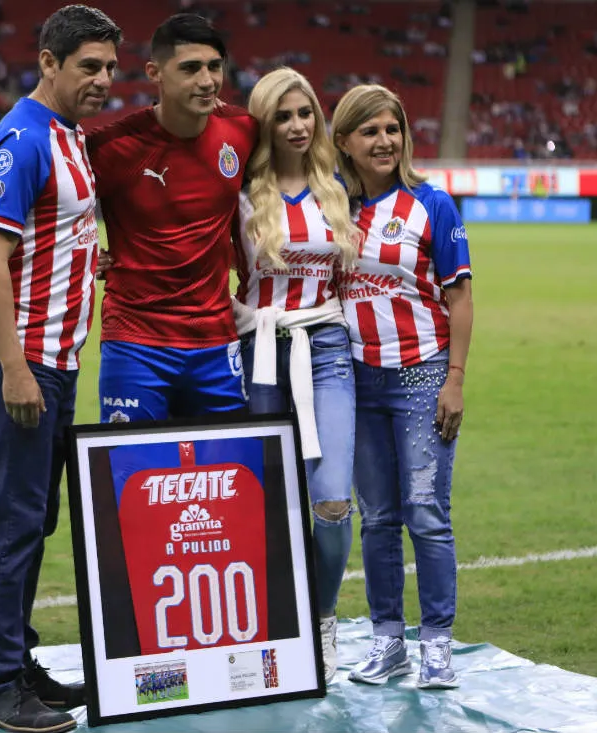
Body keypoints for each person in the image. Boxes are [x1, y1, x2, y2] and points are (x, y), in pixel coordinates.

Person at [0, 6, 120, 732]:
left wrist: (89, 263)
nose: (103, 80)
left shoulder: (68, 136)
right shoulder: (22, 140)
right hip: (15, 364)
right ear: (49, 62)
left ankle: (17, 662)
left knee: (34, 519)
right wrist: (17, 370)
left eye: (111, 67)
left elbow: (51, 235)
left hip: (53, 359)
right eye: (89, 66)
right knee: (12, 524)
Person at [330, 84, 473, 690]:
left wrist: (455, 380)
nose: (385, 140)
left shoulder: (431, 204)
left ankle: (436, 644)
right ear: (343, 142)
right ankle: (388, 640)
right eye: (370, 131)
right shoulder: (329, 207)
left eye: (392, 128)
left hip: (421, 378)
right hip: (356, 380)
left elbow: (460, 296)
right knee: (379, 517)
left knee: (426, 514)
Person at [231, 67, 358, 684]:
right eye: (282, 116)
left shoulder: (338, 190)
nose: (297, 126)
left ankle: (323, 616)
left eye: (305, 112)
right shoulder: (238, 194)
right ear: (263, 123)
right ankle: (275, 624)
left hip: (328, 350)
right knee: (264, 505)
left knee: (333, 501)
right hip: (258, 356)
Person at [88, 13, 259, 423]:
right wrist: (81, 253)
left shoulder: (242, 130)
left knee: (226, 478)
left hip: (217, 342)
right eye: (190, 68)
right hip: (136, 341)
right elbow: (45, 209)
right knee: (134, 479)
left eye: (214, 67)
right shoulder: (112, 148)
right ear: (154, 72)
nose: (207, 81)